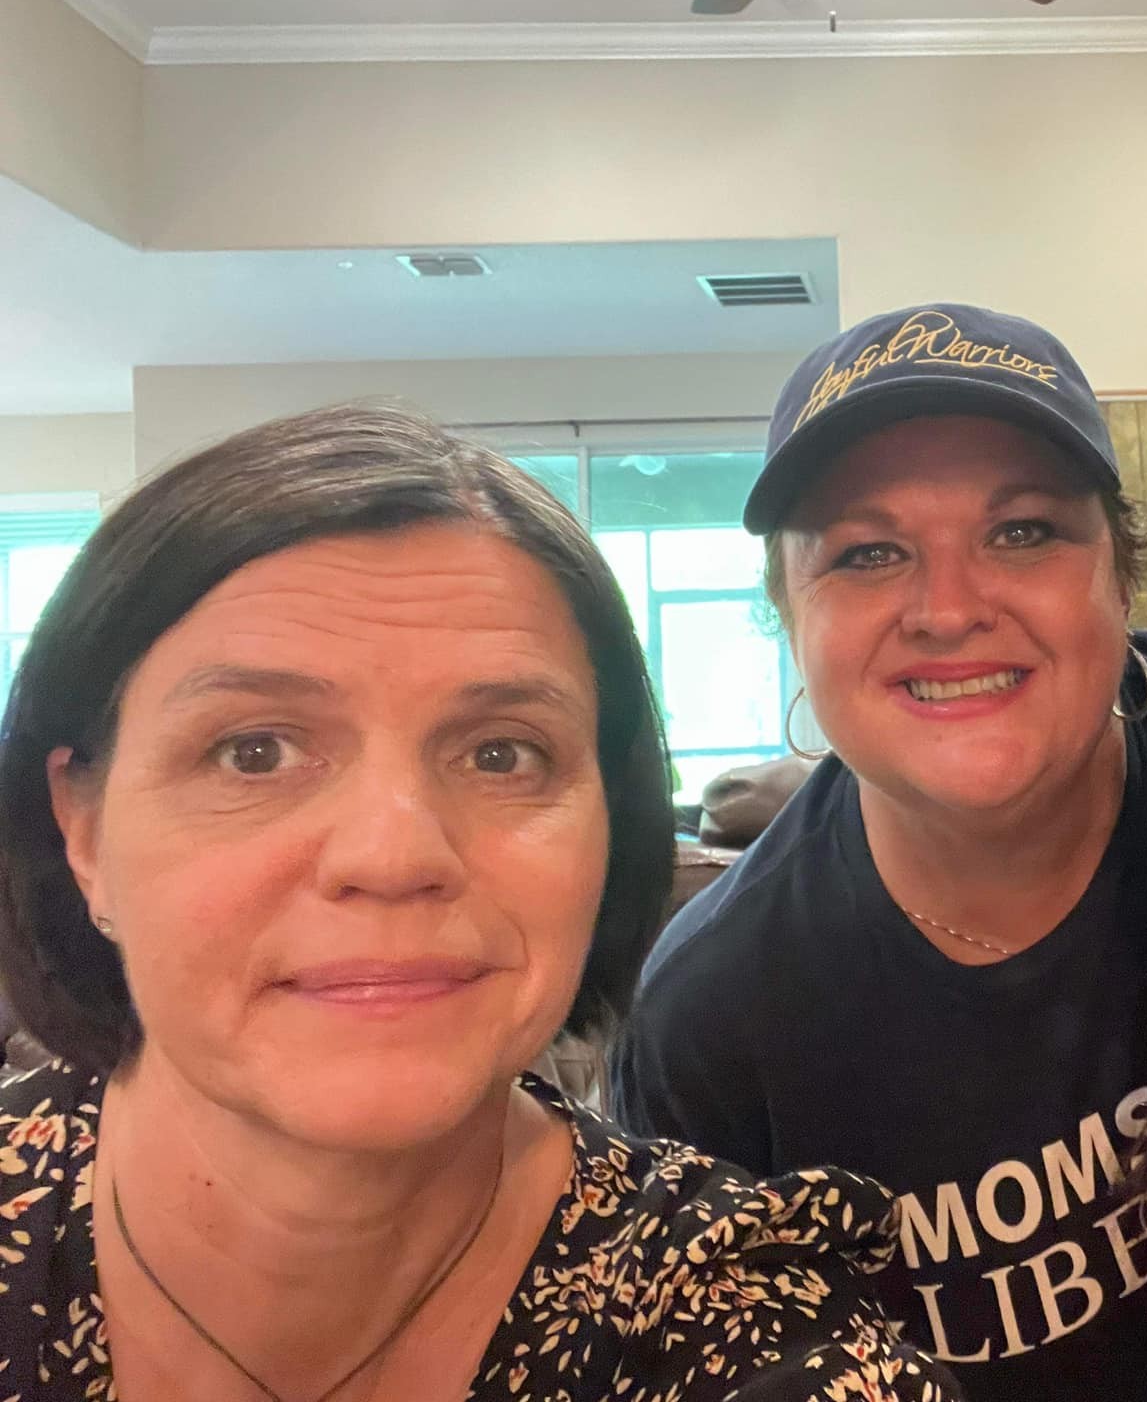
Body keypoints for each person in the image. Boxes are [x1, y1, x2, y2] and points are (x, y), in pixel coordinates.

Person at [0, 403, 958, 1402]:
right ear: (82, 828)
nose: (394, 855)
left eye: (501, 754)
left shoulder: (731, 1317)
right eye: (255, 752)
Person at [611, 305, 1147, 1401]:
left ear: (1119, 575)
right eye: (868, 553)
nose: (948, 610)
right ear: (789, 621)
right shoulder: (715, 1018)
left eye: (1023, 532)